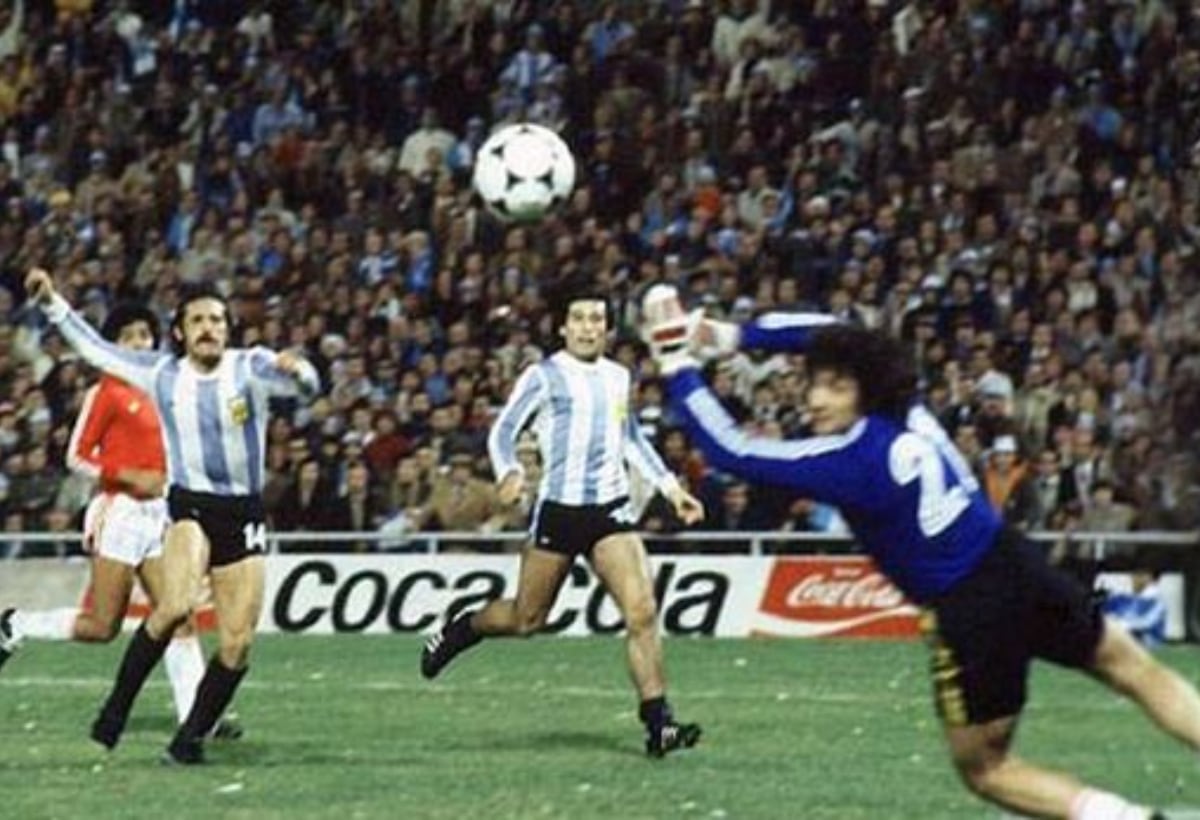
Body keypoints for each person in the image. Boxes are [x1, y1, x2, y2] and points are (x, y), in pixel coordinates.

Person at [638, 284, 1200, 818]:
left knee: (986, 769)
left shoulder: (847, 463)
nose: (813, 399)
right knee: (1132, 668)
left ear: (861, 388)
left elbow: (731, 449)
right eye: (814, 383)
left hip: (967, 608)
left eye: (833, 386)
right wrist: (732, 337)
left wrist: (676, 363)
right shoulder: (911, 410)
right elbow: (843, 333)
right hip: (1015, 561)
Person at [19, 268, 320, 765]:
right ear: (179, 332)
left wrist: (299, 369)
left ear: (228, 327)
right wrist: (52, 303)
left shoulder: (252, 367)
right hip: (189, 508)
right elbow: (95, 349)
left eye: (217, 320)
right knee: (175, 605)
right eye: (198, 319)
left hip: (242, 513)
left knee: (237, 644)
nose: (210, 328)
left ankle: (188, 740)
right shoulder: (160, 373)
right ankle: (115, 710)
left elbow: (308, 388)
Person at [420, 284, 707, 757]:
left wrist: (672, 489)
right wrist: (509, 470)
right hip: (558, 510)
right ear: (562, 326)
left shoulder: (619, 377)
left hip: (611, 510)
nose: (588, 327)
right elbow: (503, 431)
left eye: (597, 319)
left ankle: (660, 726)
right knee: (526, 620)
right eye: (579, 318)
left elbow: (631, 438)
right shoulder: (544, 375)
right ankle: (462, 627)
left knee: (642, 611)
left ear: (609, 329)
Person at [0, 303, 238, 738]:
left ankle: (199, 717)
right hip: (119, 512)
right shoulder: (106, 391)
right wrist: (127, 474)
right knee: (102, 626)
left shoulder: (166, 388)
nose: (139, 343)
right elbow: (76, 455)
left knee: (177, 614)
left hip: (159, 514)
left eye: (145, 335)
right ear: (114, 345)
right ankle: (16, 624)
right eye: (129, 336)